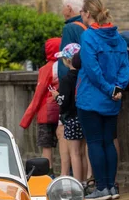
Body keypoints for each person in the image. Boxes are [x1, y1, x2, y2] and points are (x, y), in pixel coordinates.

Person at [76, 0, 129, 200]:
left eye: (82, 12)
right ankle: (111, 187)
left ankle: (101, 188)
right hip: (112, 99)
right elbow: (125, 66)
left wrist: (109, 88)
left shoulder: (89, 36)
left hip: (91, 98)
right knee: (108, 142)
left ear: (87, 14)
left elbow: (91, 70)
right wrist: (118, 88)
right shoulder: (117, 37)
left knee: (95, 142)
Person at [20, 37, 62, 177]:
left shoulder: (46, 69)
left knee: (47, 146)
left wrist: (26, 120)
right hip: (63, 110)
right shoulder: (64, 67)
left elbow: (38, 95)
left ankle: (48, 173)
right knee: (65, 145)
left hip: (47, 113)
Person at [51, 44, 86, 184]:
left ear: (68, 61)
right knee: (83, 152)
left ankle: (77, 183)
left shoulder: (66, 79)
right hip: (84, 116)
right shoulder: (83, 76)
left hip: (71, 119)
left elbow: (63, 102)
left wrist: (56, 96)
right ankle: (84, 181)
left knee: (74, 153)